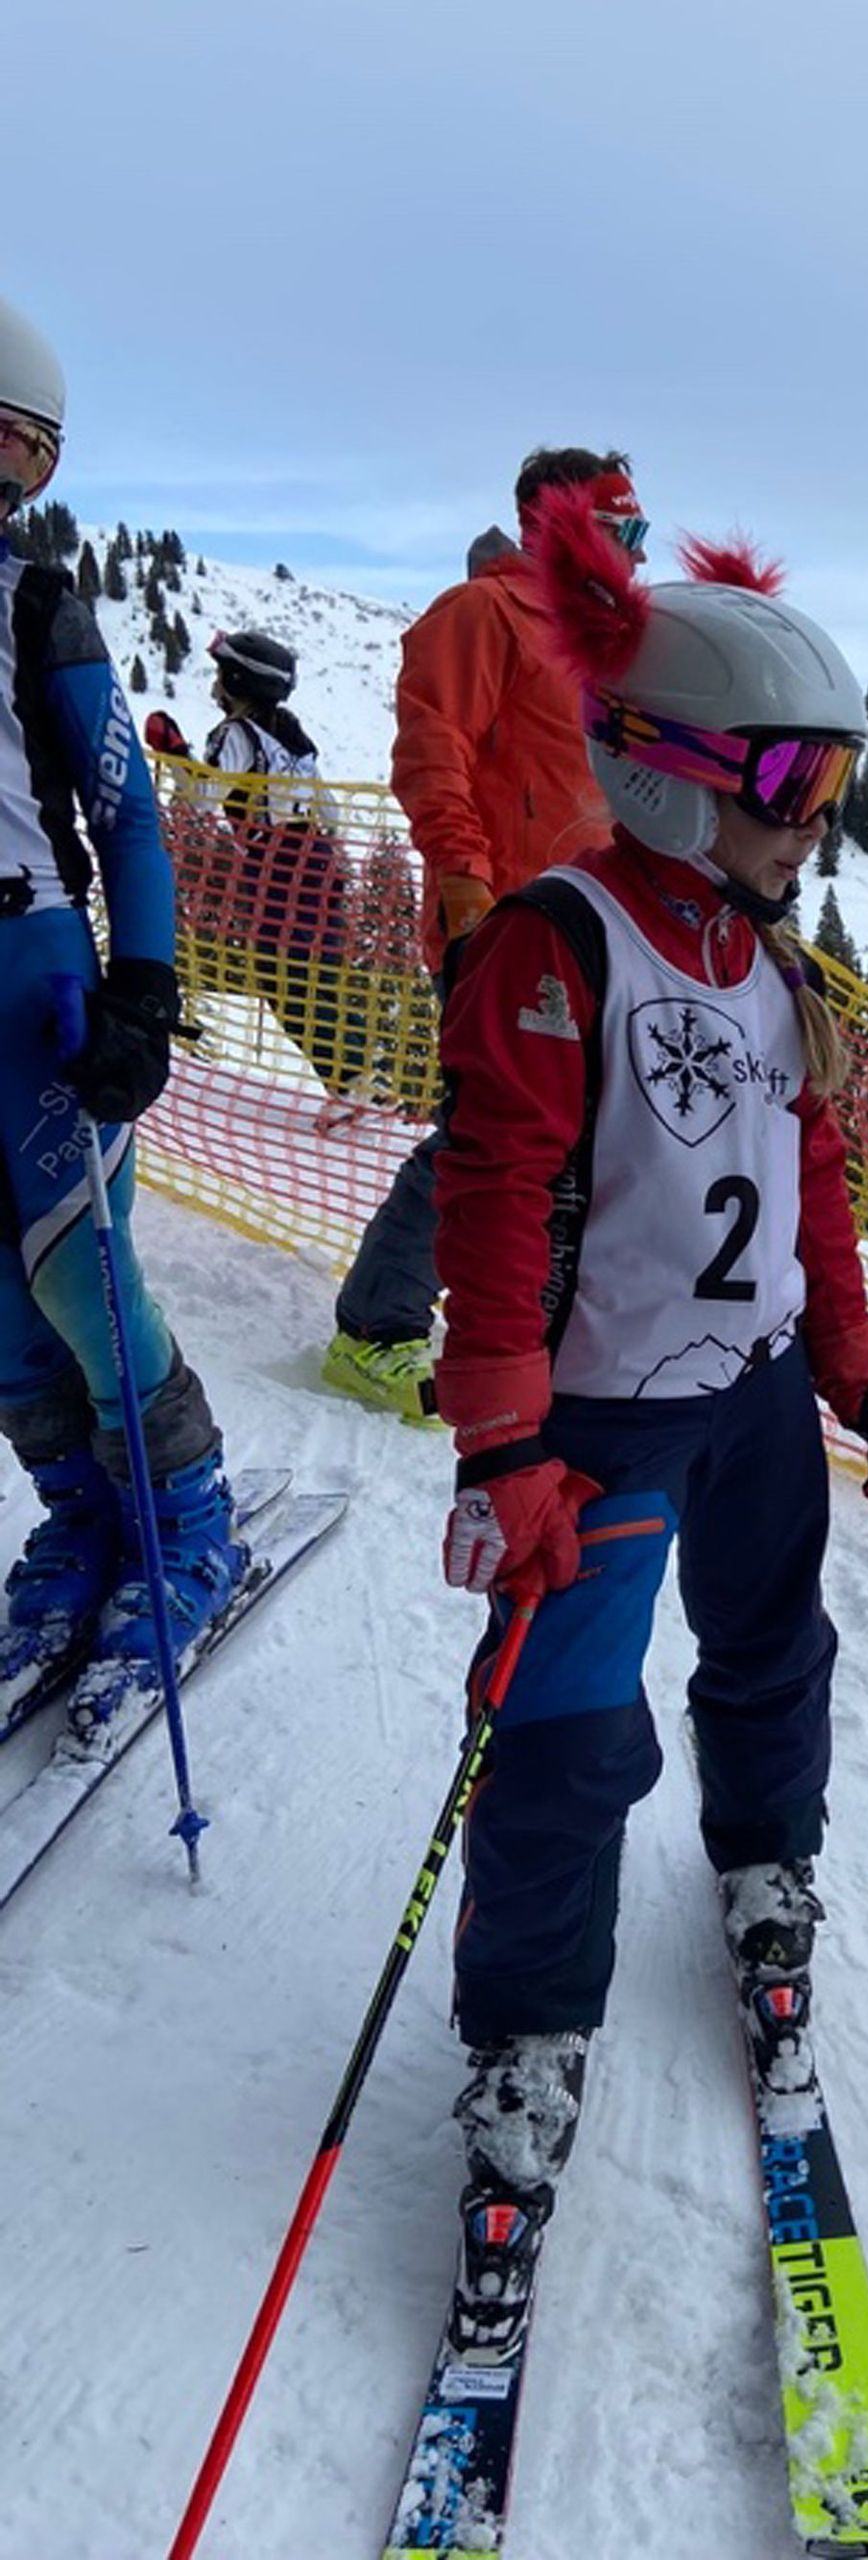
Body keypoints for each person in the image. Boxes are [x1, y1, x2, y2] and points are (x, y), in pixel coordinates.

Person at [427, 486, 868, 2357]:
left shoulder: (771, 964)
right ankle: (526, 2035)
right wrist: (504, 1448)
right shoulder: (555, 948)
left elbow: (808, 1191)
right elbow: (493, 1194)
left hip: (743, 1414)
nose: (816, 829)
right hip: (596, 1434)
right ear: (668, 771)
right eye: (791, 791)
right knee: (567, 1744)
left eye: (832, 794)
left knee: (768, 1654)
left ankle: (765, 1862)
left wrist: (860, 1375)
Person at [0, 293, 246, 1711]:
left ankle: (186, 1518)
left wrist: (142, 990)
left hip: (29, 968)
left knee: (77, 1273)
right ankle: (81, 1518)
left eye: (22, 456)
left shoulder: (35, 604)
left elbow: (126, 818)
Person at [322, 446, 648, 1425]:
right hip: (505, 931)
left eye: (640, 529)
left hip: (591, 937)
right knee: (486, 1140)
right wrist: (464, 884)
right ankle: (372, 1332)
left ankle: (519, 1323)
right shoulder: (483, 615)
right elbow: (434, 745)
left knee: (574, 1145)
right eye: (618, 527)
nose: (635, 548)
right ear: (560, 528)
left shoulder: (600, 647)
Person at [150, 634, 361, 1113]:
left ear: (236, 680)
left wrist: (176, 752)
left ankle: (347, 1085)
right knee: (318, 972)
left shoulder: (235, 735)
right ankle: (357, 1076)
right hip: (320, 859)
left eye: (221, 673)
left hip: (277, 865)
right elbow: (326, 805)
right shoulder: (293, 732)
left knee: (280, 976)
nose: (215, 684)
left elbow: (204, 796)